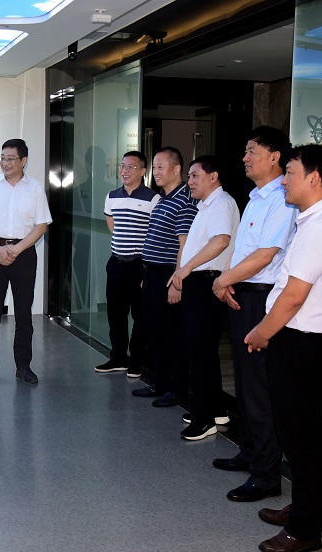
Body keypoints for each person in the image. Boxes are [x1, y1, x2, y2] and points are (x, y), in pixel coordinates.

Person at [244, 144, 322, 552]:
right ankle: (304, 507)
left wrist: (261, 333)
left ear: (314, 178)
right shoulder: (312, 221)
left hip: (303, 344)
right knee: (298, 435)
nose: (284, 181)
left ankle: (306, 529)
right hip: (296, 342)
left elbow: (293, 296)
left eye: (290, 173)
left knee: (304, 440)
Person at [211, 126, 297, 502]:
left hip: (262, 298)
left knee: (260, 388)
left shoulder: (281, 198)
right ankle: (249, 452)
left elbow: (266, 255)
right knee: (245, 385)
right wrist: (228, 280)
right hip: (242, 293)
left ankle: (266, 475)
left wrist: (222, 280)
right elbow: (243, 248)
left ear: (274, 156)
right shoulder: (256, 196)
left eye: (252, 151)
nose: (244, 158)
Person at [167, 156, 239, 440]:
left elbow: (221, 240)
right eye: (189, 176)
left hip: (207, 282)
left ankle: (203, 419)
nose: (190, 182)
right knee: (204, 352)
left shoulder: (221, 203)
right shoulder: (207, 205)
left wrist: (186, 268)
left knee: (200, 353)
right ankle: (216, 409)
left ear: (213, 176)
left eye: (195, 176)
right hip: (201, 282)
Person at [0, 139, 52, 386]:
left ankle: (23, 366)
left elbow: (41, 225)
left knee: (24, 314)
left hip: (24, 254)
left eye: (11, 159)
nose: (5, 163)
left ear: (23, 161)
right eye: (3, 158)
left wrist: (16, 249)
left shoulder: (35, 189)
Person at [133, 147, 197, 406]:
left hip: (168, 276)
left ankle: (177, 389)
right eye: (154, 167)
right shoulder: (162, 199)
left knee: (172, 335)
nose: (156, 172)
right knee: (155, 333)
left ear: (176, 168)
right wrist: (146, 274)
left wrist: (177, 283)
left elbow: (184, 245)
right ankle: (159, 382)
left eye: (161, 167)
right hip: (152, 274)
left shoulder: (184, 200)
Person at [94, 151, 159, 377]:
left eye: (131, 167)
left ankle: (136, 361)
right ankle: (118, 358)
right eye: (122, 166)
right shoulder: (112, 196)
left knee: (140, 315)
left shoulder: (152, 198)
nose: (125, 171)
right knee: (116, 314)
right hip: (117, 263)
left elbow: (154, 234)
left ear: (143, 171)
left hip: (140, 265)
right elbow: (112, 227)